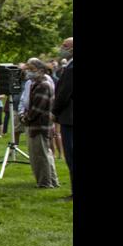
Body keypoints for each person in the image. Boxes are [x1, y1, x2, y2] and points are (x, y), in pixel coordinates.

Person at [21, 60, 59, 189]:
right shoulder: (36, 84)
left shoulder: (43, 85)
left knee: (40, 155)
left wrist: (25, 118)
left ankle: (45, 182)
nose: (28, 72)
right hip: (40, 124)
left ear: (40, 70)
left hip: (39, 125)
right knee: (45, 154)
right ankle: (52, 180)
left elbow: (37, 108)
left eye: (31, 69)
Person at [51, 38, 73, 199]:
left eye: (65, 46)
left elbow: (64, 93)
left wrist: (54, 111)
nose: (62, 48)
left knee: (71, 155)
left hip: (70, 118)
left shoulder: (71, 68)